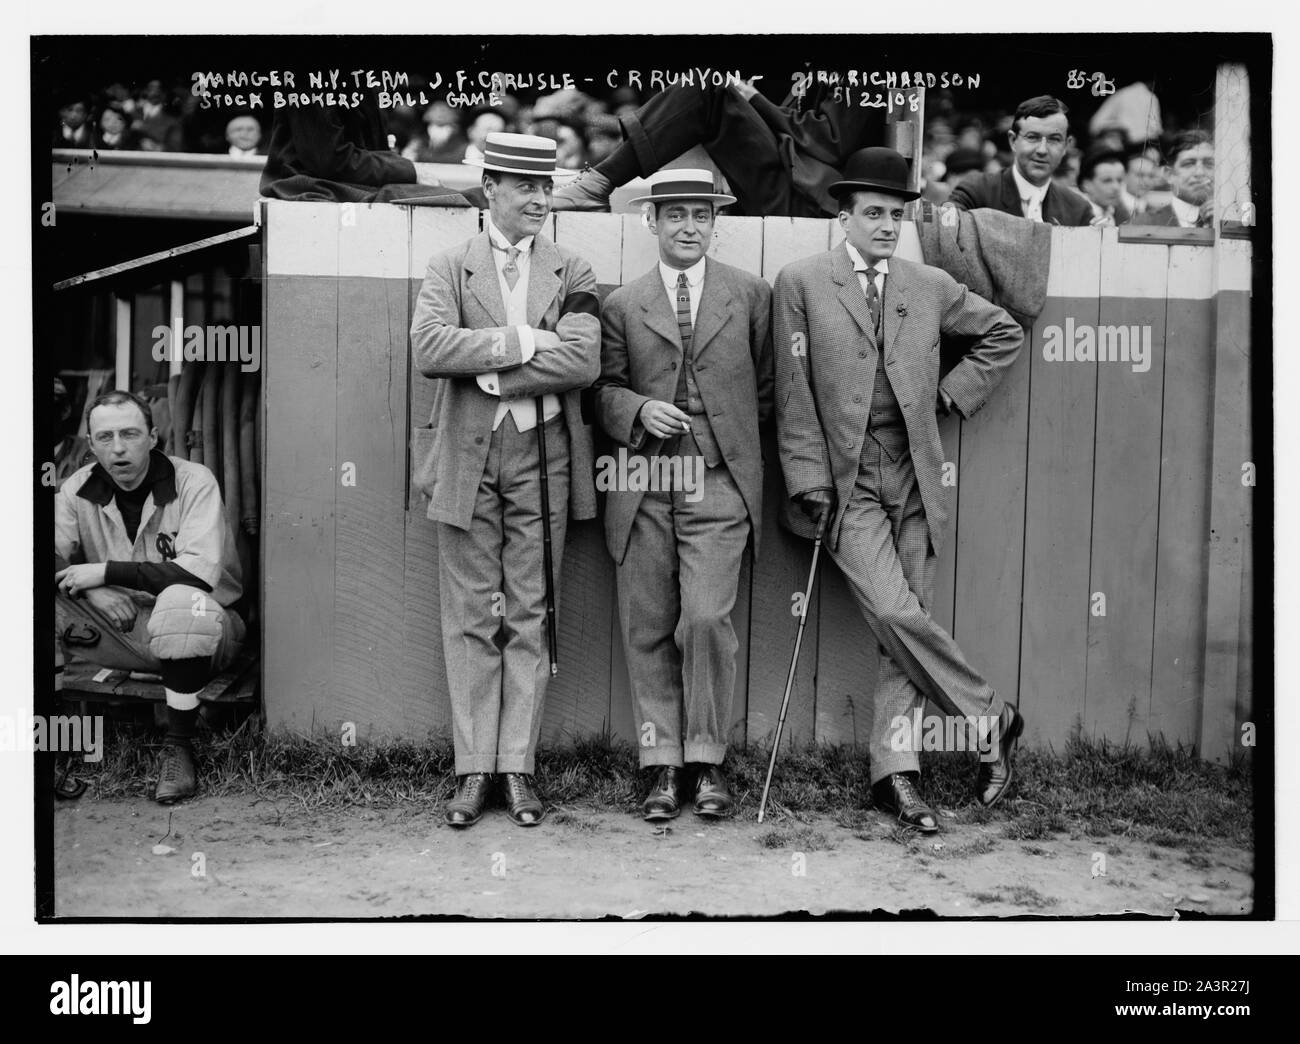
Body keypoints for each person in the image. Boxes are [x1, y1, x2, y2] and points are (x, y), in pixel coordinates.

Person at [774, 147, 1026, 832]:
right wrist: (807, 480)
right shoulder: (800, 282)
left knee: (901, 628)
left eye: (896, 215)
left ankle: (897, 776)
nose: (887, 226)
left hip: (915, 474)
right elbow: (793, 395)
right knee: (892, 610)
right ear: (845, 216)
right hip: (846, 480)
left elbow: (1003, 331)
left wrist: (951, 393)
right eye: (875, 214)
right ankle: (990, 717)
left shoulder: (927, 283)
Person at [409, 133, 601, 828]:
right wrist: (523, 344)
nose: (540, 199)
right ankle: (473, 771)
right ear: (490, 189)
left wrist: (485, 369)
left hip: (543, 457)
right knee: (470, 617)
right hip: (467, 457)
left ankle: (517, 767)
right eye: (526, 186)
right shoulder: (450, 266)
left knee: (530, 612)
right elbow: (431, 346)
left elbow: (582, 360)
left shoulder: (571, 268)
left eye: (547, 187)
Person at [593, 170, 773, 821]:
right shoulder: (623, 303)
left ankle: (706, 762)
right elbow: (601, 391)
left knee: (703, 618)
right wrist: (638, 411)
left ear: (715, 222)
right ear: (653, 223)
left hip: (718, 483)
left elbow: (767, 392)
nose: (689, 226)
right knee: (646, 624)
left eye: (701, 215)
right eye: (676, 216)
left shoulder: (751, 295)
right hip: (644, 484)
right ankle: (661, 766)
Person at [55, 391, 245, 803]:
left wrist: (104, 571)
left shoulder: (193, 480)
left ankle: (178, 748)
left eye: (130, 434)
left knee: (180, 600)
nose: (118, 447)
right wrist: (98, 590)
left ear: (153, 437)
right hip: (125, 628)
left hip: (205, 629)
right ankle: (49, 745)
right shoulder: (76, 489)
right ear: (90, 444)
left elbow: (197, 573)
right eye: (105, 437)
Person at [552, 80, 886, 217]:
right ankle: (597, 179)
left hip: (810, 199)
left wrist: (755, 100)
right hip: (792, 179)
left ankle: (596, 183)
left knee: (708, 91)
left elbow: (830, 140)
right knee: (711, 85)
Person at [260, 93, 464, 204]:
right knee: (455, 200)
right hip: (315, 187)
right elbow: (330, 159)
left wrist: (399, 166)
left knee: (457, 199)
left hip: (349, 185)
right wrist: (407, 170)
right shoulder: (316, 74)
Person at [947, 95, 1096, 226]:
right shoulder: (976, 191)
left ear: (1066, 146)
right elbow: (944, 231)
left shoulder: (1078, 210)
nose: (1042, 150)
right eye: (1032, 137)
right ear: (1013, 140)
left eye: (1054, 139)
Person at [1132, 131, 1216, 228]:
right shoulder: (1142, 225)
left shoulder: (1230, 220)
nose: (1200, 173)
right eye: (1188, 164)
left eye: (1209, 164)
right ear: (1169, 174)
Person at [1078, 147, 1131, 224]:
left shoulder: (1123, 215)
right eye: (1107, 180)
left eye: (1119, 180)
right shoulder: (1075, 215)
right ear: (1086, 185)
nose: (1116, 187)